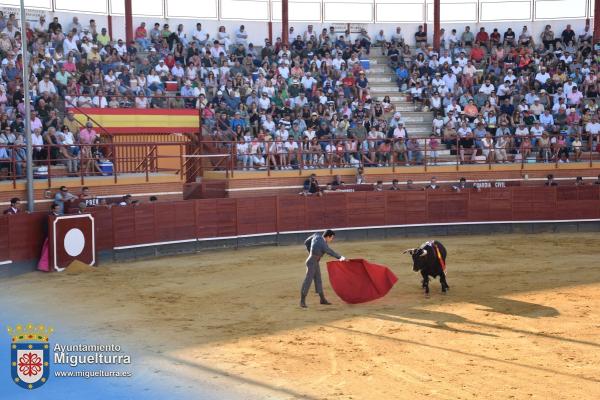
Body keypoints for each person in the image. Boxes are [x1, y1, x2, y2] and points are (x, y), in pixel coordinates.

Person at [301, 229, 346, 308]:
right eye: (331, 238)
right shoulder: (323, 245)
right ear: (328, 237)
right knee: (308, 280)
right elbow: (330, 251)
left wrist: (310, 252)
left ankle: (322, 299)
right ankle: (302, 301)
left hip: (314, 261)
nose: (331, 240)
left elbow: (306, 242)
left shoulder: (316, 235)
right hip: (312, 262)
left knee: (318, 279)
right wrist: (340, 257)